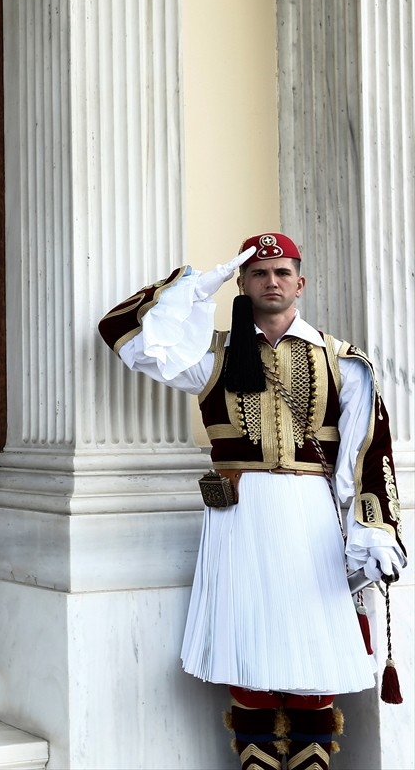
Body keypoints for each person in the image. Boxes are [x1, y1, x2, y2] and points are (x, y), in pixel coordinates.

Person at [99, 233, 405, 770]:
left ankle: (312, 761)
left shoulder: (341, 360)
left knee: (314, 637)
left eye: (281, 272)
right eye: (258, 273)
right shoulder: (209, 354)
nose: (271, 281)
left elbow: (365, 450)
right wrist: (202, 282)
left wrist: (372, 529)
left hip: (312, 516)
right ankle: (256, 760)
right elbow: (123, 330)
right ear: (242, 284)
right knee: (247, 635)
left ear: (299, 282)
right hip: (240, 515)